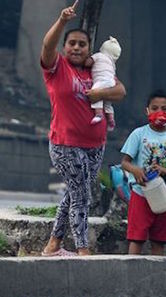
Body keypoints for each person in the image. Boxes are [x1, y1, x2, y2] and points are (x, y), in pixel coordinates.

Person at [40, 0, 126, 257]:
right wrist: (63, 21)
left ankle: (53, 244)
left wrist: (100, 91)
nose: (77, 48)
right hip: (65, 143)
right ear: (65, 47)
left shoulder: (98, 68)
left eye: (82, 44)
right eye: (72, 43)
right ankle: (82, 249)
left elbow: (120, 92)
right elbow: (47, 45)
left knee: (76, 192)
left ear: (90, 49)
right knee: (81, 196)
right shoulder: (57, 68)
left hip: (95, 145)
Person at [121, 90, 166, 255]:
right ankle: (131, 273)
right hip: (141, 194)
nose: (159, 112)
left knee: (159, 240)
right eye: (154, 108)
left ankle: (157, 276)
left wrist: (165, 170)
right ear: (147, 111)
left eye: (164, 108)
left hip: (165, 196)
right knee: (136, 238)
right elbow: (124, 162)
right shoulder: (138, 134)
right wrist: (136, 170)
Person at [86, 36, 122, 131]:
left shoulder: (98, 55)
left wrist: (87, 59)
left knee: (95, 93)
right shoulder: (112, 63)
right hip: (111, 82)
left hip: (101, 81)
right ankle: (111, 119)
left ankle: (98, 114)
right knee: (107, 103)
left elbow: (88, 63)